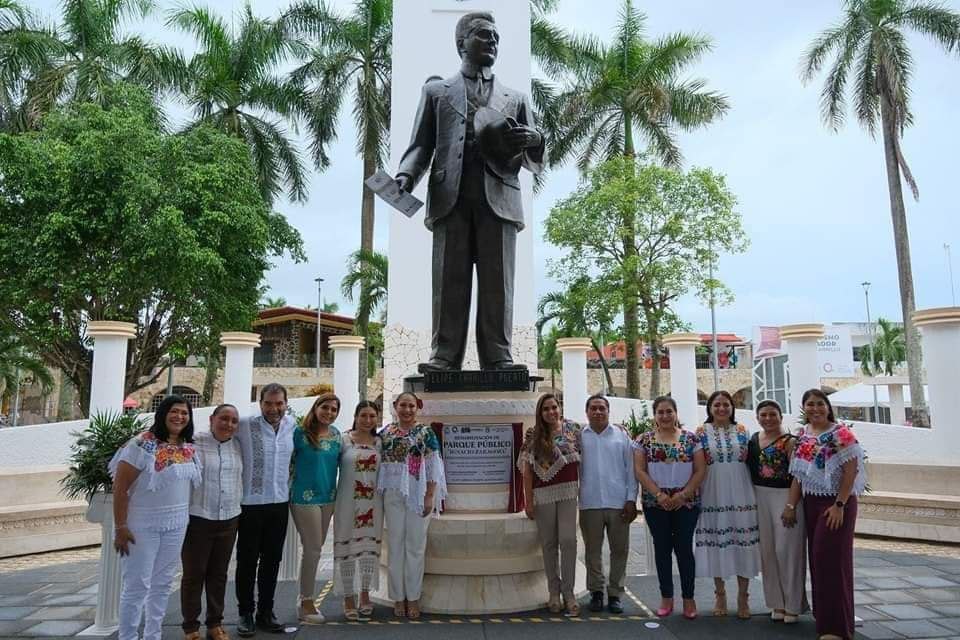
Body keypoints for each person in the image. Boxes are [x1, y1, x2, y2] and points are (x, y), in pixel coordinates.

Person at [394, 11, 544, 372]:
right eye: (483, 35)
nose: (492, 42)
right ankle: (445, 356)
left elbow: (535, 151)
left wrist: (535, 139)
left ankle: (499, 356)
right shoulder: (436, 92)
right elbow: (420, 145)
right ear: (461, 43)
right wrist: (404, 176)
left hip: (501, 198)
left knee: (498, 282)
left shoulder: (516, 97)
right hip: (452, 197)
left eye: (495, 37)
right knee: (450, 280)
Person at [110, 395, 201, 640]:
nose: (179, 416)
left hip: (176, 523)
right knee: (137, 586)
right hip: (141, 525)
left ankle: (153, 635)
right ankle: (128, 636)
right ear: (162, 413)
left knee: (162, 584)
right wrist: (120, 526)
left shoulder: (188, 447)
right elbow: (120, 488)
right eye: (174, 411)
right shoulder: (141, 444)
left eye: (184, 413)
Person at [786, 389, 866, 640]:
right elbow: (799, 475)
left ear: (828, 407)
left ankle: (837, 628)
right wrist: (790, 506)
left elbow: (851, 472)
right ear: (804, 408)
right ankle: (825, 617)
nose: (815, 409)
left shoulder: (841, 434)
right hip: (812, 503)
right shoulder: (804, 435)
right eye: (809, 405)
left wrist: (839, 505)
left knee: (832, 562)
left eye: (820, 404)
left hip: (835, 504)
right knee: (818, 562)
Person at [633, 396, 706, 620]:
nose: (665, 416)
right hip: (656, 503)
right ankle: (666, 597)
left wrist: (683, 495)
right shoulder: (643, 440)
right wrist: (659, 495)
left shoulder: (691, 439)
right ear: (655, 415)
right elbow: (640, 470)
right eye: (660, 412)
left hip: (686, 502)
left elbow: (700, 470)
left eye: (669, 411)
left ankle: (689, 598)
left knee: (684, 549)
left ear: (676, 413)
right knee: (662, 549)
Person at [377, 391, 447, 619]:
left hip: (418, 495)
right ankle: (398, 597)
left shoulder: (425, 433)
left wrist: (430, 495)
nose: (407, 410)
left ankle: (414, 598)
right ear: (395, 406)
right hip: (392, 494)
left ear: (417, 408)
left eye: (411, 406)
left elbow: (434, 464)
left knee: (415, 547)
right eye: (403, 405)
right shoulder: (386, 433)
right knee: (395, 545)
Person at [234, 383, 295, 636]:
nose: (274, 408)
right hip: (250, 504)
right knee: (247, 561)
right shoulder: (244, 425)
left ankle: (266, 612)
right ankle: (245, 613)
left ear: (285, 403)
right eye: (268, 403)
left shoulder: (292, 425)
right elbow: (216, 432)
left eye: (279, 403)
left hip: (279, 504)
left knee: (272, 561)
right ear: (260, 403)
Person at [695, 390, 761, 619]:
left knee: (742, 541)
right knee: (716, 541)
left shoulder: (743, 431)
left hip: (741, 492)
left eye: (726, 404)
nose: (722, 409)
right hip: (713, 491)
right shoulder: (701, 432)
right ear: (710, 408)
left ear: (732, 407)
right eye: (717, 405)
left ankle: (744, 596)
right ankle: (720, 594)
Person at [180, 404, 244, 640]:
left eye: (234, 421)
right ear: (212, 419)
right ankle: (190, 627)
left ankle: (215, 624)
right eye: (224, 418)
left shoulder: (238, 445)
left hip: (229, 518)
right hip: (198, 519)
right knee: (193, 575)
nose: (229, 424)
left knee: (219, 574)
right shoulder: (194, 443)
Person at [519, 393, 582, 616]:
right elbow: (527, 470)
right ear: (540, 413)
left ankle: (569, 593)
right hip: (542, 494)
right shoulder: (533, 434)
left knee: (568, 541)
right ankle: (553, 593)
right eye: (546, 409)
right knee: (548, 544)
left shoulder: (573, 429)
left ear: (559, 407)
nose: (551, 412)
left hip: (567, 492)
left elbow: (584, 460)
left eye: (554, 407)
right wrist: (528, 501)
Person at [746, 399, 807, 624]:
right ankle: (776, 603)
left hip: (785, 498)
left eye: (773, 414)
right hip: (760, 497)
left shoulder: (790, 442)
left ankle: (793, 604)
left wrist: (791, 505)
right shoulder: (753, 440)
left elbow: (799, 475)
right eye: (763, 415)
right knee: (768, 553)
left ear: (781, 416)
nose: (768, 419)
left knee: (787, 551)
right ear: (757, 417)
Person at [578, 394, 638, 614]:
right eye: (593, 408)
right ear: (587, 412)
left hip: (618, 502)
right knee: (592, 551)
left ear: (608, 411)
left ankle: (615, 594)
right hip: (589, 502)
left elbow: (631, 469)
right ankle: (596, 592)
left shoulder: (621, 437)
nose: (598, 412)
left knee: (619, 550)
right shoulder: (579, 437)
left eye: (602, 408)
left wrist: (631, 499)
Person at [290, 392, 343, 624]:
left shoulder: (337, 436)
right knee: (313, 549)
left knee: (315, 547)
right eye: (325, 407)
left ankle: (304, 597)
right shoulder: (299, 434)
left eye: (334, 409)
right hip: (304, 497)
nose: (329, 413)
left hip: (328, 497)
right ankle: (306, 602)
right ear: (316, 407)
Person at [333, 401, 384, 620]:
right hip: (347, 503)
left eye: (372, 416)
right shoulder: (343, 441)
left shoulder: (380, 442)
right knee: (347, 548)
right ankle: (348, 597)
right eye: (363, 415)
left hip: (373, 504)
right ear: (355, 416)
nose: (368, 420)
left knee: (367, 550)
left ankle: (364, 595)